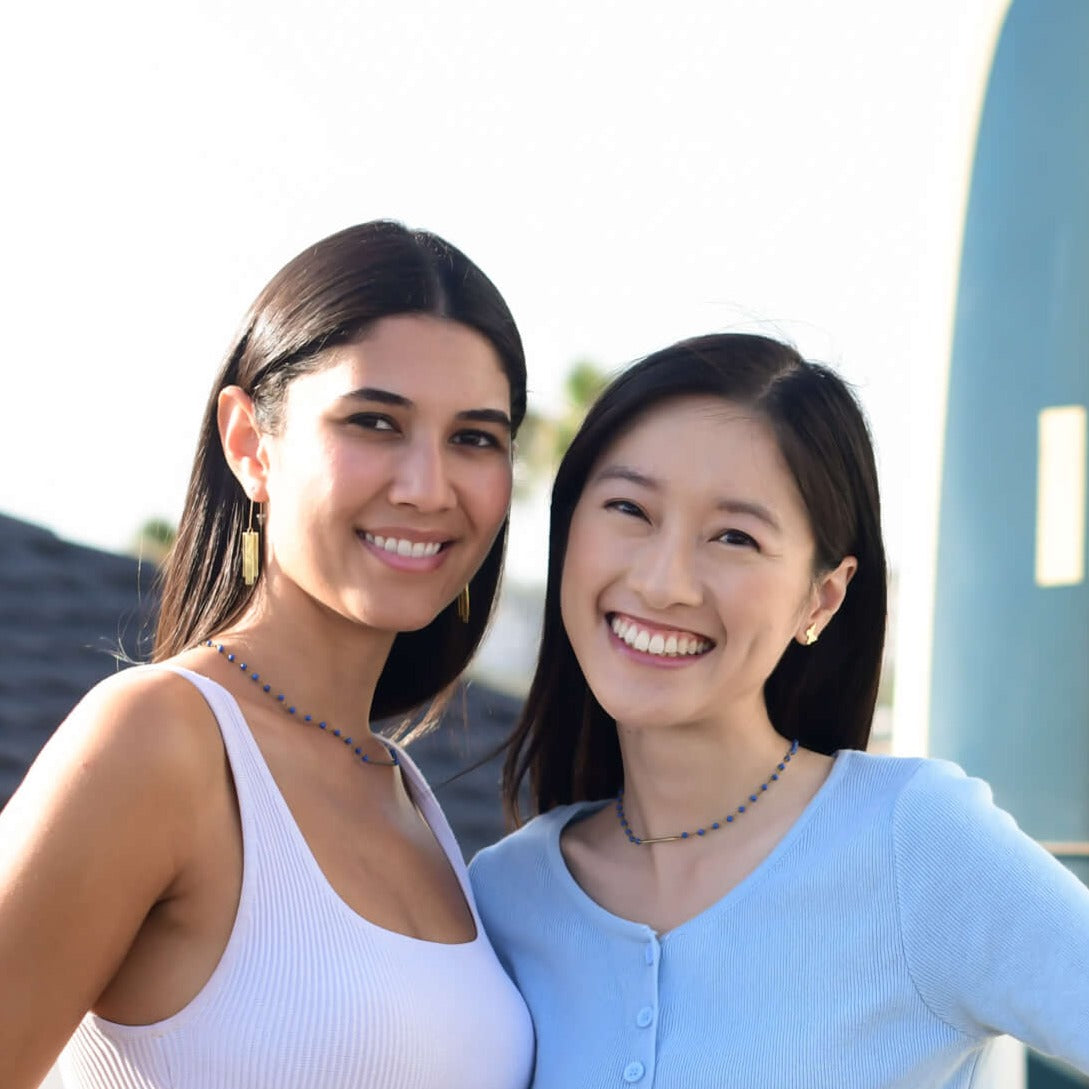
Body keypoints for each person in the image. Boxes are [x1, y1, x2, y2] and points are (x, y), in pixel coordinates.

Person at [469, 333, 1089, 1087]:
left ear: (820, 596)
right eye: (628, 508)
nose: (665, 582)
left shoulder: (915, 845)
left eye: (734, 536)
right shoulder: (503, 896)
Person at [0, 220, 534, 1089]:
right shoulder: (161, 739)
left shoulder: (409, 798)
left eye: (474, 437)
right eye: (374, 421)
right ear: (250, 443)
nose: (426, 487)